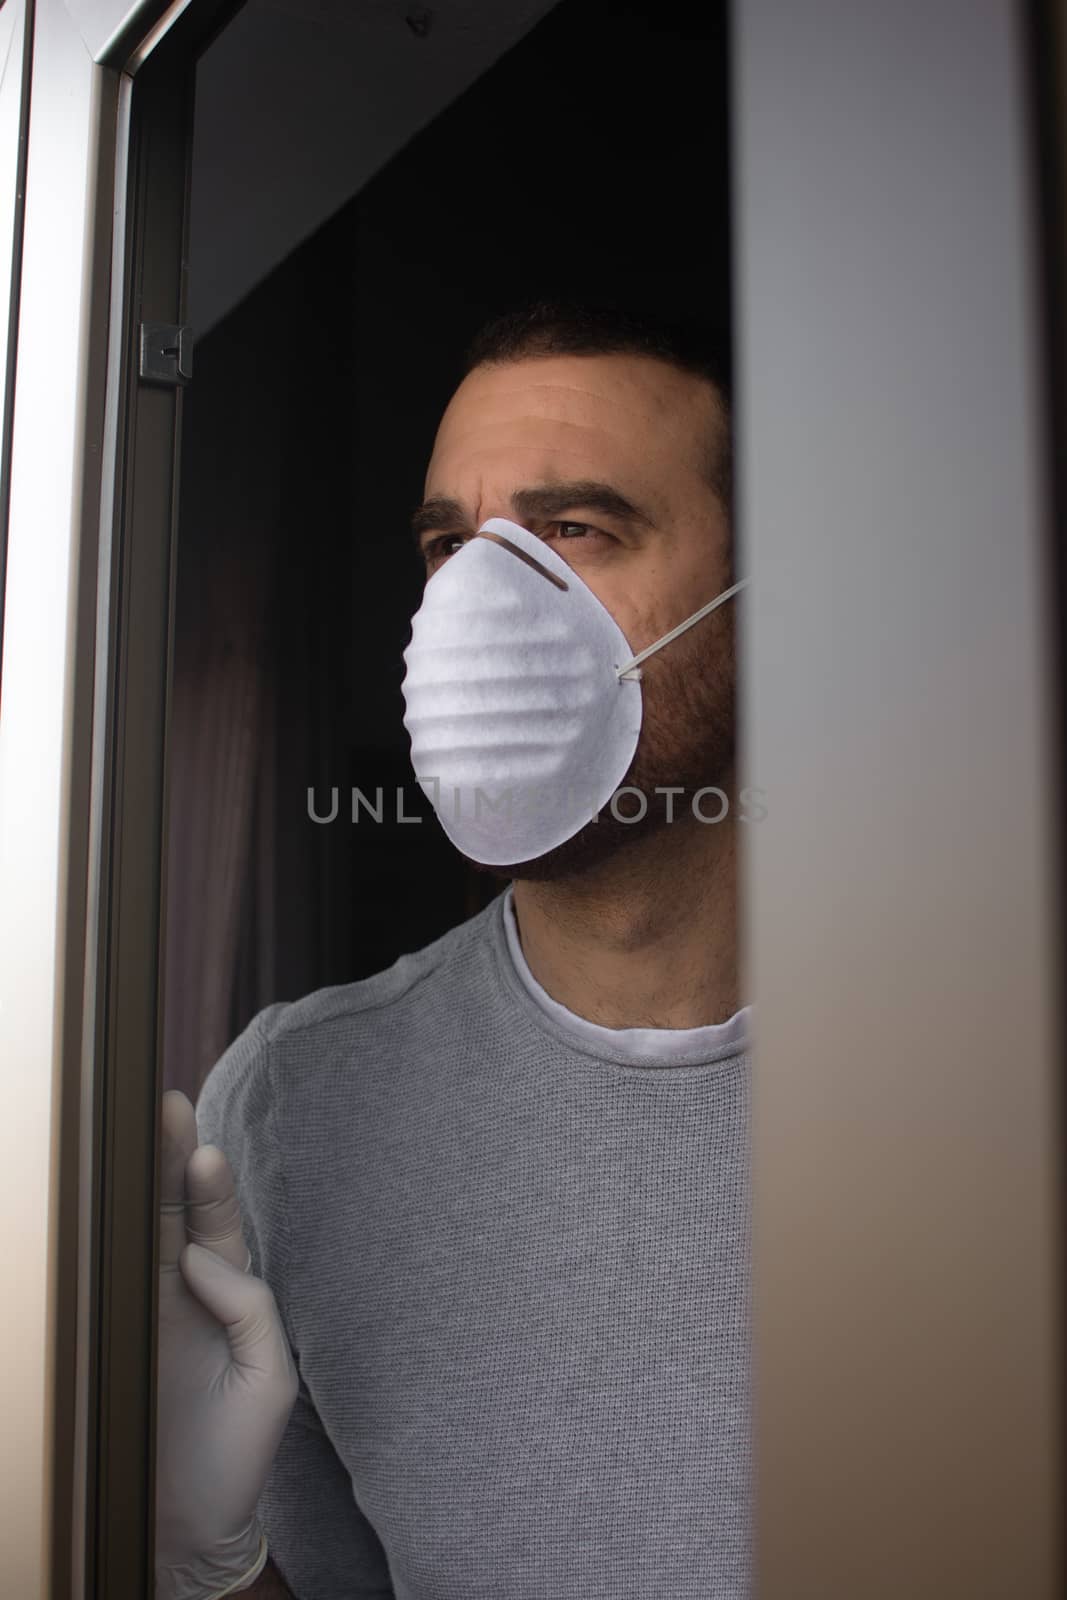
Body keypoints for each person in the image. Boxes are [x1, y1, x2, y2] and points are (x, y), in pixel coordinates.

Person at [157, 303, 753, 1600]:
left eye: (573, 529)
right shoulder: (295, 1105)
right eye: (450, 542)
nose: (482, 601)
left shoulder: (990, 1077)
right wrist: (210, 1560)